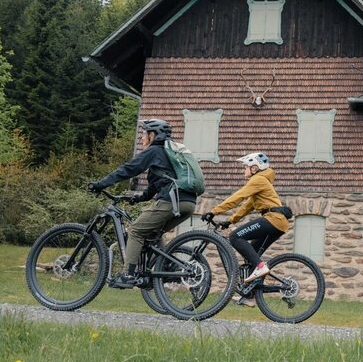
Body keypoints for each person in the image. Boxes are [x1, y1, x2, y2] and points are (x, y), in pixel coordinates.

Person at [87, 118, 197, 289]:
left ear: (153, 135)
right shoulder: (169, 154)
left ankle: (128, 275)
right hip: (188, 203)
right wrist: (138, 198)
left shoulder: (154, 151)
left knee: (136, 231)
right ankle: (166, 268)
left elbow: (128, 169)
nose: (142, 138)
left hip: (170, 200)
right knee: (153, 234)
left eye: (144, 134)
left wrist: (101, 184)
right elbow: (155, 185)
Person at [201, 152, 291, 304]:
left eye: (246, 167)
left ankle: (261, 267)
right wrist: (230, 221)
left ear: (254, 168)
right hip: (278, 223)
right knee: (252, 255)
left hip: (273, 219)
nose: (244, 169)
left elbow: (238, 197)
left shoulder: (258, 180)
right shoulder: (261, 182)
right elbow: (247, 206)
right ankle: (250, 296)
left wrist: (214, 211)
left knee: (235, 237)